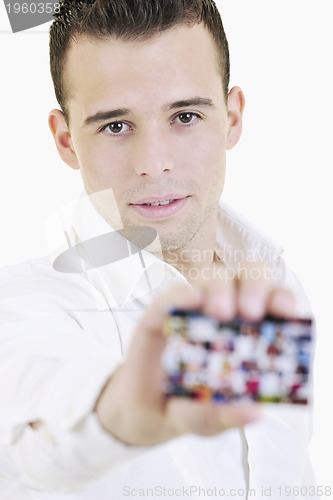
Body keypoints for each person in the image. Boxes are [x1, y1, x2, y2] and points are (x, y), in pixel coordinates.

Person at [0, 0, 317, 499]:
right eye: (116, 126)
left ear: (232, 118)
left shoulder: (275, 285)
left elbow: (291, 478)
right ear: (66, 142)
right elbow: (37, 431)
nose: (155, 162)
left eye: (185, 116)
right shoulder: (24, 305)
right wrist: (121, 413)